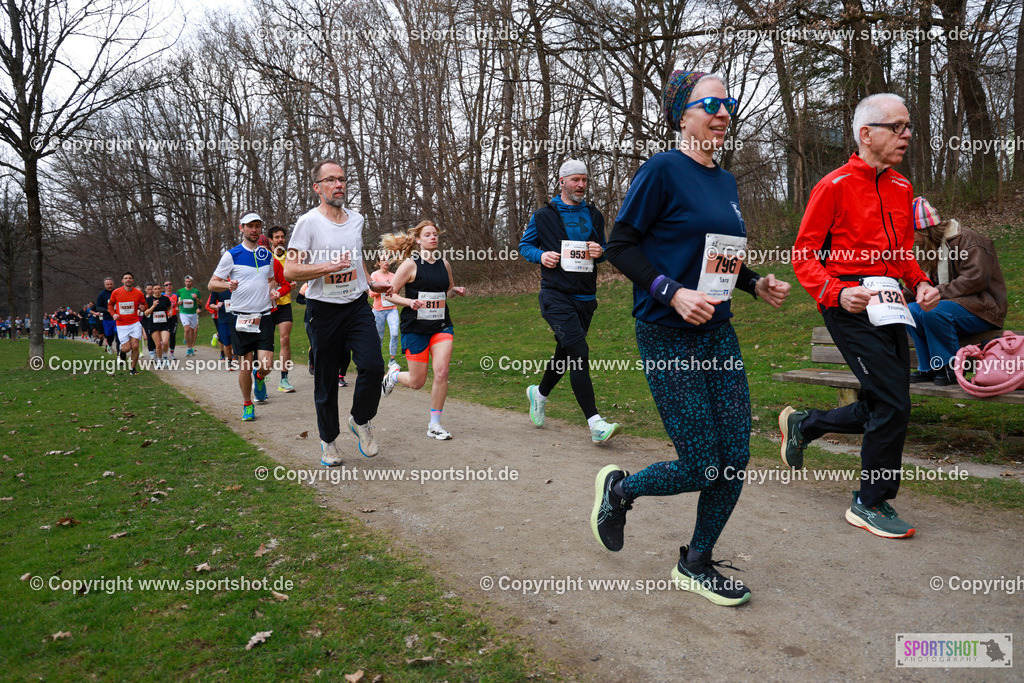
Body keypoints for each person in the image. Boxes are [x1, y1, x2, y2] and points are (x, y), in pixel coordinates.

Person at [597, 70, 791, 607]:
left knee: (734, 459)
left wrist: (753, 283)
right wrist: (671, 292)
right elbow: (620, 246)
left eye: (729, 104)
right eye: (711, 104)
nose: (723, 112)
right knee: (701, 462)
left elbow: (717, 255)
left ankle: (696, 560)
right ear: (683, 115)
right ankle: (621, 490)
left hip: (717, 335)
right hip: (667, 335)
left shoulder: (725, 182)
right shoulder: (662, 169)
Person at [780, 93, 940, 539]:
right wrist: (836, 290)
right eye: (898, 126)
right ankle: (870, 502)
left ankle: (804, 424)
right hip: (848, 304)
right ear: (867, 134)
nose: (907, 135)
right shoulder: (832, 186)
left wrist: (921, 282)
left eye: (909, 127)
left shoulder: (902, 188)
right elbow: (804, 255)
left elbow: (901, 256)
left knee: (881, 400)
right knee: (894, 401)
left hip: (892, 304)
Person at [284, 160, 388, 464]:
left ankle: (360, 419)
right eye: (331, 180)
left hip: (356, 305)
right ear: (317, 187)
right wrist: (326, 267)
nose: (339, 184)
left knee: (373, 365)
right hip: (324, 311)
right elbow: (290, 269)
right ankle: (328, 441)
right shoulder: (308, 223)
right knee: (327, 380)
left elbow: (356, 259)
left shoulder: (357, 219)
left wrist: (371, 283)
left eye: (342, 179)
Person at [519, 159, 620, 443]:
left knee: (565, 353)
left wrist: (601, 251)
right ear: (561, 182)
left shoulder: (594, 214)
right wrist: (541, 256)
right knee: (579, 353)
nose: (581, 186)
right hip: (556, 295)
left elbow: (605, 249)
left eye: (585, 180)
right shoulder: (544, 215)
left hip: (586, 297)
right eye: (575, 180)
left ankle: (538, 394)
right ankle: (595, 422)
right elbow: (525, 246)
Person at [380, 221, 467, 440]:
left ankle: (435, 424)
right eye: (427, 235)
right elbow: (389, 294)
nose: (433, 238)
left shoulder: (444, 264)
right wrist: (410, 302)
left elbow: (446, 292)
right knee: (417, 382)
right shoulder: (410, 264)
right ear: (418, 240)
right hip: (415, 328)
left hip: (441, 325)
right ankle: (394, 376)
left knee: (442, 372)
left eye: (435, 234)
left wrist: (456, 291)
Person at [906, 197, 1006, 385]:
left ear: (923, 230)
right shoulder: (924, 248)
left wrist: (936, 293)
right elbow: (920, 283)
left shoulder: (967, 240)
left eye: (910, 233)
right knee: (910, 311)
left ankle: (948, 366)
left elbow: (975, 280)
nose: (909, 239)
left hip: (983, 308)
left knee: (933, 310)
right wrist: (897, 299)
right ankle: (928, 367)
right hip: (953, 306)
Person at [209, 212, 289, 421]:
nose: (254, 230)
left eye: (257, 226)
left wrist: (275, 291)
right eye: (249, 226)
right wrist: (227, 284)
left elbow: (272, 279)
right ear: (241, 228)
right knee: (245, 365)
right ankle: (247, 404)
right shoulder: (231, 255)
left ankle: (260, 377)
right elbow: (212, 283)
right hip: (241, 318)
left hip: (264, 316)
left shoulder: (268, 256)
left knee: (266, 364)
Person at [268, 226, 297, 393]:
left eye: (282, 237)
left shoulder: (290, 258)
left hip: (284, 304)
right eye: (276, 237)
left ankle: (284, 379)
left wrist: (292, 283)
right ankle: (261, 376)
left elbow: (294, 276)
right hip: (266, 306)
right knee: (266, 342)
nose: (280, 240)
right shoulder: (265, 257)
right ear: (271, 240)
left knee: (284, 339)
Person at [107, 272, 148, 375]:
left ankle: (132, 368)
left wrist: (143, 308)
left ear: (133, 280)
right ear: (122, 281)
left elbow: (145, 305)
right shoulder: (116, 292)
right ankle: (121, 352)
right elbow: (110, 305)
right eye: (126, 278)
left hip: (134, 323)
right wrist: (113, 314)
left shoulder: (138, 293)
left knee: (135, 346)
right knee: (127, 348)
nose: (128, 280)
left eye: (130, 278)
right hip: (122, 324)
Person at [369, 257, 400, 364]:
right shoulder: (374, 275)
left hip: (392, 309)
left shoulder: (393, 276)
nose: (386, 262)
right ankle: (377, 359)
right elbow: (371, 294)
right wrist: (382, 288)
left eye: (388, 260)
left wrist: (393, 291)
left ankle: (392, 360)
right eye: (383, 260)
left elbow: (397, 292)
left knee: (395, 333)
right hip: (378, 310)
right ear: (378, 262)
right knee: (379, 337)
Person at [144, 286, 173, 367]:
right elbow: (146, 313)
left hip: (164, 323)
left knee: (165, 342)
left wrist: (170, 312)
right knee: (158, 344)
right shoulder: (149, 300)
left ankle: (165, 356)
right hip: (153, 324)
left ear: (161, 290)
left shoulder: (166, 299)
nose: (157, 290)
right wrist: (153, 306)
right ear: (153, 290)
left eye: (159, 289)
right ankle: (159, 360)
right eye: (155, 289)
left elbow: (170, 308)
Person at [206, 288, 235, 366]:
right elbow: (211, 304)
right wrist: (216, 306)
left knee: (237, 341)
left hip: (236, 317)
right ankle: (229, 361)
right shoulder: (217, 289)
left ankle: (237, 359)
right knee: (227, 343)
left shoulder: (235, 286)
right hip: (224, 319)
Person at [176, 275, 202, 356]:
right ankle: (188, 348)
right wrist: (177, 303)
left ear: (192, 282)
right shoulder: (180, 291)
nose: (188, 283)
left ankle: (191, 348)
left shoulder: (196, 291)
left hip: (193, 313)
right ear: (184, 282)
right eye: (187, 281)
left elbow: (201, 302)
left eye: (189, 281)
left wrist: (196, 298)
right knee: (187, 329)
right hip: (184, 313)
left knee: (192, 331)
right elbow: (174, 302)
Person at [162, 281, 179, 358]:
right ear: (164, 287)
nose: (168, 286)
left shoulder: (175, 295)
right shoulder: (162, 296)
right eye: (166, 285)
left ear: (171, 286)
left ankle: (172, 353)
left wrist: (177, 308)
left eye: (170, 284)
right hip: (165, 318)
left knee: (173, 335)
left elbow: (177, 305)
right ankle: (163, 351)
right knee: (165, 337)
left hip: (174, 317)